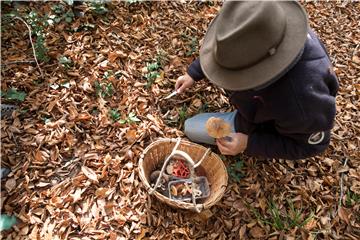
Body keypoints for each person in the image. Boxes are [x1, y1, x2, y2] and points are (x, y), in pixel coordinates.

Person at [175, 1, 338, 160]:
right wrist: (194, 73)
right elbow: (230, 46)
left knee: (191, 128)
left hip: (265, 123)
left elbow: (311, 146)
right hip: (256, 103)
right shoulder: (265, 20)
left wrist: (249, 143)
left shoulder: (302, 103)